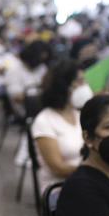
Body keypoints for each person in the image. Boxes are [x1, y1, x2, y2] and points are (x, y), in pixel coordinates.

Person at [30, 59, 90, 195]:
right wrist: (94, 171)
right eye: (80, 82)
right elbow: (57, 167)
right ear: (65, 86)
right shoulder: (44, 121)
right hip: (59, 188)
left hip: (85, 181)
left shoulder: (79, 115)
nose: (85, 86)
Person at [4, 40, 49, 116]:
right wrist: (42, 98)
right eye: (39, 59)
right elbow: (17, 97)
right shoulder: (13, 69)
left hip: (44, 105)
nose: (41, 62)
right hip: (26, 109)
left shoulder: (41, 67)